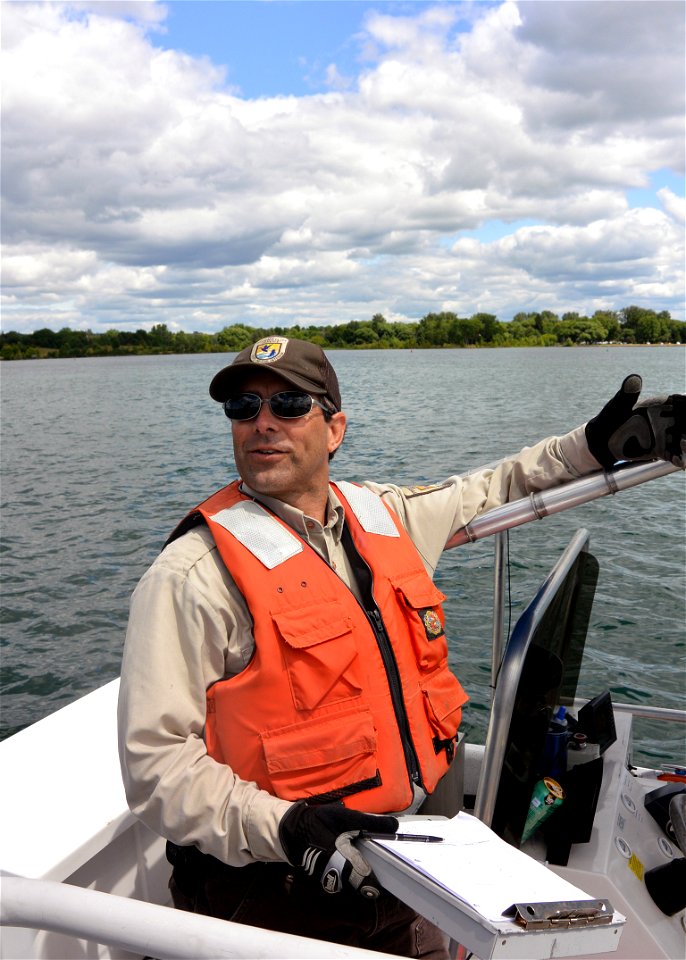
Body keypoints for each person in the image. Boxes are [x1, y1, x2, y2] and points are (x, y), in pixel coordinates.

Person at [117, 338, 684, 958]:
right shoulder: (192, 575)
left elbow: (497, 486)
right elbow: (157, 769)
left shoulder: (384, 516)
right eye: (243, 407)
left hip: (407, 865)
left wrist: (599, 447)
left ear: (334, 427)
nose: (263, 423)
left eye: (288, 403)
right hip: (281, 889)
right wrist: (284, 825)